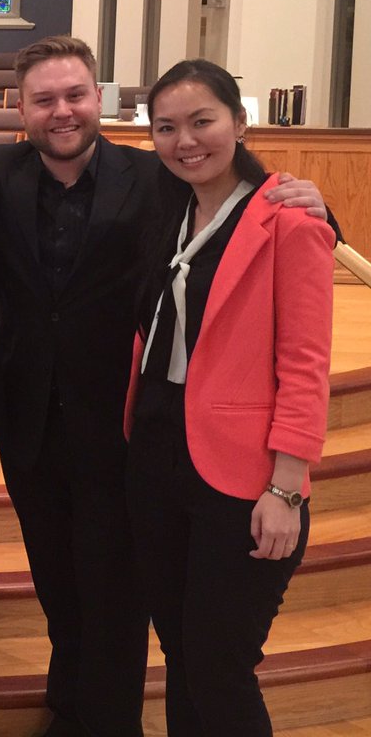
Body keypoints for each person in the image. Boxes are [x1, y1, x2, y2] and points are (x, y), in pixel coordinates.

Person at [0, 35, 329, 736]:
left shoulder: (152, 178)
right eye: (44, 99)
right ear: (21, 110)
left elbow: (255, 226)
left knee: (118, 595)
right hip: (33, 425)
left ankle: (108, 722)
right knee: (58, 584)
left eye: (75, 94)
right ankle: (67, 707)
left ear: (98, 97)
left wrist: (317, 209)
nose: (63, 111)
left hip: (123, 425)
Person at [125, 59, 333, 735]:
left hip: (243, 474)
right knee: (182, 654)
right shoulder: (167, 206)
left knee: (220, 663)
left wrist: (287, 487)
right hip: (158, 452)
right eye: (166, 127)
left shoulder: (288, 219)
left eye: (202, 121)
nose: (186, 140)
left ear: (239, 123)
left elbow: (305, 362)